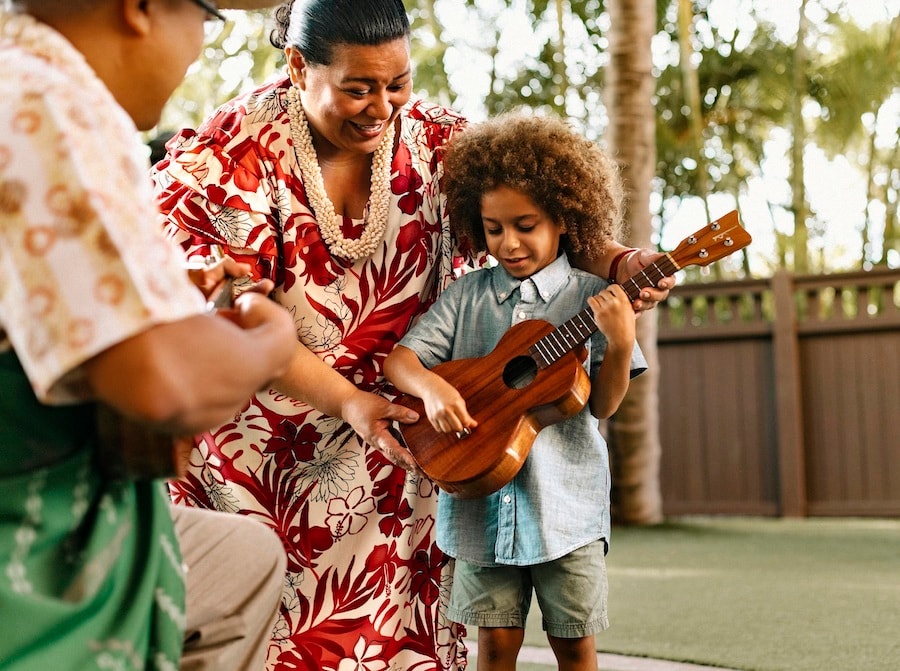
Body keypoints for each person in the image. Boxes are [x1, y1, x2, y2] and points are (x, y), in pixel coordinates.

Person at [152, 0, 672, 668]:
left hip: (413, 436)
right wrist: (346, 400)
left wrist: (620, 261)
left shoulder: (442, 142)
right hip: (263, 459)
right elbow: (227, 307)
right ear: (296, 65)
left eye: (398, 82)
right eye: (358, 88)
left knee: (399, 638)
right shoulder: (235, 155)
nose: (382, 106)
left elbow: (535, 213)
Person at [0, 0, 298, 669]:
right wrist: (271, 343)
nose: (198, 46)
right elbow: (162, 383)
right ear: (139, 9)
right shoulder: (42, 102)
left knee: (245, 559)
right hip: (23, 540)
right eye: (208, 19)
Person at [383, 112, 646, 671]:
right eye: (494, 228)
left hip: (565, 511)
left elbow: (600, 405)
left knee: (574, 645)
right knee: (495, 646)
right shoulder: (466, 297)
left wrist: (620, 344)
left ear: (564, 219)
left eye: (525, 225)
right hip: (479, 504)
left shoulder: (592, 296)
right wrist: (430, 389)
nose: (509, 242)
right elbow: (400, 361)